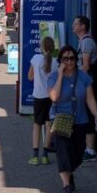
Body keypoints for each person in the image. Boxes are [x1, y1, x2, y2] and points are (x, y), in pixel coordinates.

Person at [48, 45, 97, 193]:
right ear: (60, 61)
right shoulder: (53, 76)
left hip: (80, 120)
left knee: (77, 154)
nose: (69, 62)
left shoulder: (83, 77)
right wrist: (60, 76)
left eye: (72, 58)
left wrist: (96, 114)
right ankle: (66, 185)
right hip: (60, 119)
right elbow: (54, 97)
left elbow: (90, 98)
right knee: (63, 152)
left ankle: (69, 173)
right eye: (65, 59)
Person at [73, 15, 97, 161]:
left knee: (88, 114)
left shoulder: (87, 42)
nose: (73, 26)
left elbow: (85, 66)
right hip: (85, 82)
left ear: (83, 26)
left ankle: (90, 150)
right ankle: (85, 147)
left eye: (75, 24)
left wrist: (78, 82)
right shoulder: (82, 42)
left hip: (86, 83)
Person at [28, 35, 56, 165]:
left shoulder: (36, 59)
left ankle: (35, 155)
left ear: (42, 47)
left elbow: (30, 77)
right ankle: (45, 154)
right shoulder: (56, 62)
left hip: (38, 95)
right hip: (51, 96)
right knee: (49, 124)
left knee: (37, 125)